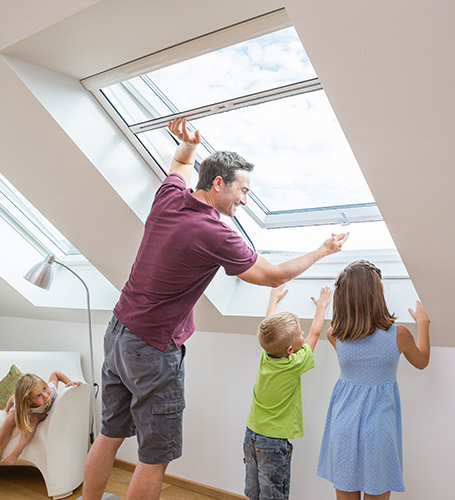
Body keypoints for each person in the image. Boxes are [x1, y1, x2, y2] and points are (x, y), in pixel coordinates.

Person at [80, 118, 349, 500]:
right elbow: (272, 275)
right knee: (154, 457)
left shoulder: (170, 198)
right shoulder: (214, 232)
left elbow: (178, 167)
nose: (245, 199)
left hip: (119, 332)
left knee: (109, 435)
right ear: (219, 184)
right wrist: (324, 250)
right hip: (152, 349)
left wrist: (188, 145)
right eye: (243, 190)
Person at [317, 260, 430, 500]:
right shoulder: (399, 335)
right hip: (379, 429)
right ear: (376, 295)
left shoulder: (335, 335)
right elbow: (421, 361)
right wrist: (422, 323)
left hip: (343, 425)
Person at [244, 284, 332, 500]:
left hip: (251, 435)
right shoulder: (293, 363)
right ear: (290, 350)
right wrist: (322, 306)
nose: (303, 334)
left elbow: (268, 326)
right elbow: (316, 332)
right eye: (299, 334)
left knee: (254, 491)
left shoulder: (266, 354)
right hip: (273, 442)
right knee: (274, 493)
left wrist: (273, 299)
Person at [0, 371, 82, 476]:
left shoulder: (52, 390)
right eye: (38, 396)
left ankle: (18, 450)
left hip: (41, 413)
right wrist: (7, 410)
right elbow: (11, 398)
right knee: (9, 420)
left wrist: (69, 382)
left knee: (34, 417)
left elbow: (55, 374)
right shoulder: (22, 403)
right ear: (29, 401)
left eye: (44, 389)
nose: (45, 395)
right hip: (26, 410)